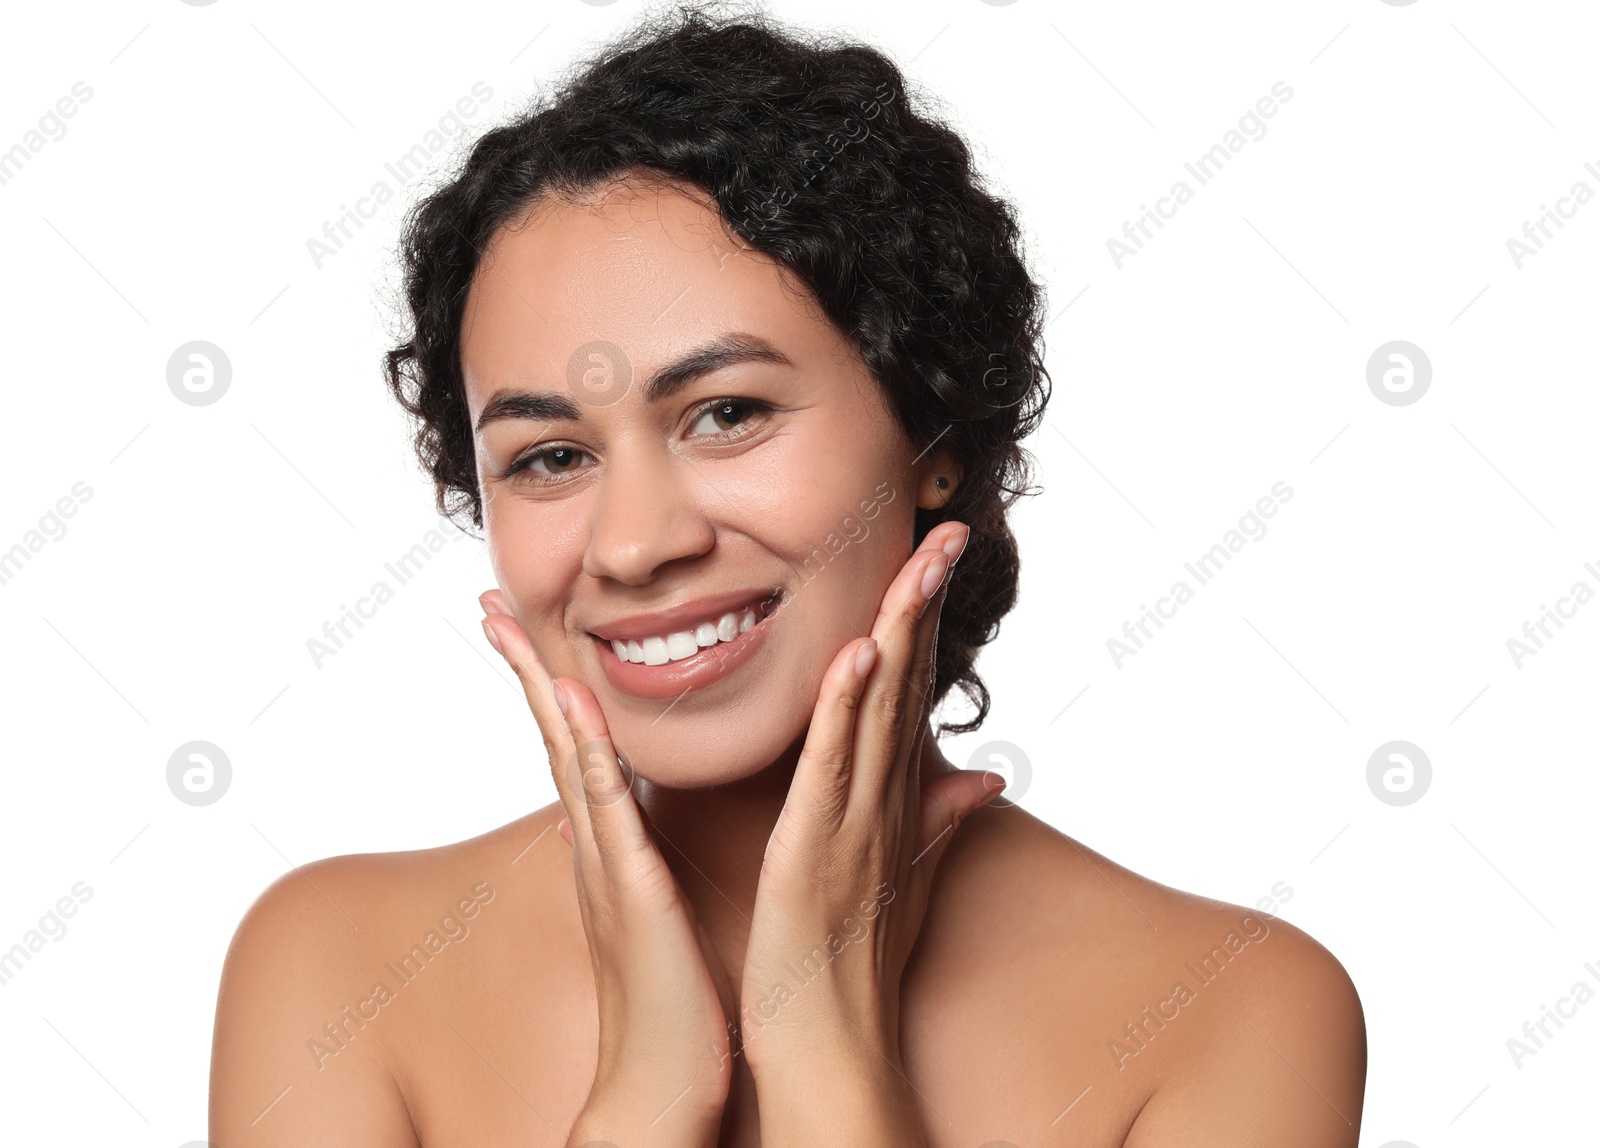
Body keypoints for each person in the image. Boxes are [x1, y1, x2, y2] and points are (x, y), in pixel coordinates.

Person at [210, 6, 1366, 1144]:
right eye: (551, 456)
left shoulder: (1229, 1010)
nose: (630, 544)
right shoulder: (335, 973)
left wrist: (823, 1047)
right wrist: (647, 1094)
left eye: (725, 413)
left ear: (934, 431)